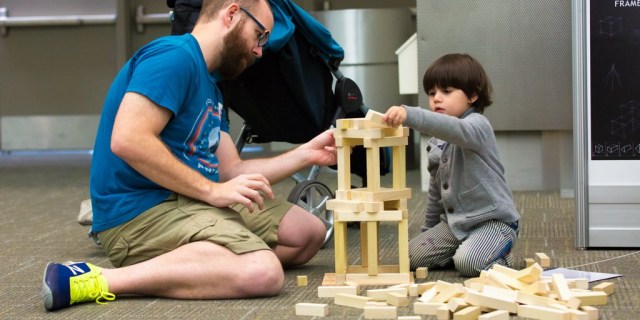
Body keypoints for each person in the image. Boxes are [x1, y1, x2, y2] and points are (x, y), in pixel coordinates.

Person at [42, 0, 336, 311]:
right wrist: (212, 191)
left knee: (309, 233)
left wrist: (307, 154)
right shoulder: (174, 58)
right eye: (260, 34)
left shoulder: (213, 87)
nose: (260, 50)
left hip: (189, 202)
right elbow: (128, 139)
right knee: (263, 272)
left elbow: (230, 170)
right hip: (141, 213)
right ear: (232, 14)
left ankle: (208, 260)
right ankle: (95, 278)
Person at [382, 53, 520, 277]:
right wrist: (428, 234)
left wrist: (411, 114)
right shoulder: (437, 142)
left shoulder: (477, 126)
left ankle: (502, 257)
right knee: (409, 257)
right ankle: (468, 250)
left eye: (446, 92)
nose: (437, 98)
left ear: (473, 95)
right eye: (431, 93)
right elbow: (437, 194)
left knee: (469, 263)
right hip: (455, 225)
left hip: (493, 222)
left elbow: (455, 129)